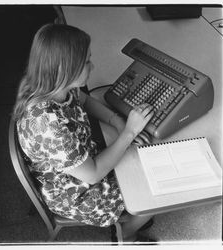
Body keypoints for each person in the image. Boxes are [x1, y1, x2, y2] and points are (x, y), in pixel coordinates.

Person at [13, 23, 155, 242]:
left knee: (142, 161)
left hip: (83, 162)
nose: (93, 66)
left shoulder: (55, 85)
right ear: (64, 69)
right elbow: (94, 174)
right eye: (87, 62)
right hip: (76, 192)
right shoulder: (47, 124)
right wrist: (129, 132)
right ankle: (126, 235)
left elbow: (84, 99)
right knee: (155, 189)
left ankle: (135, 218)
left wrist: (116, 121)